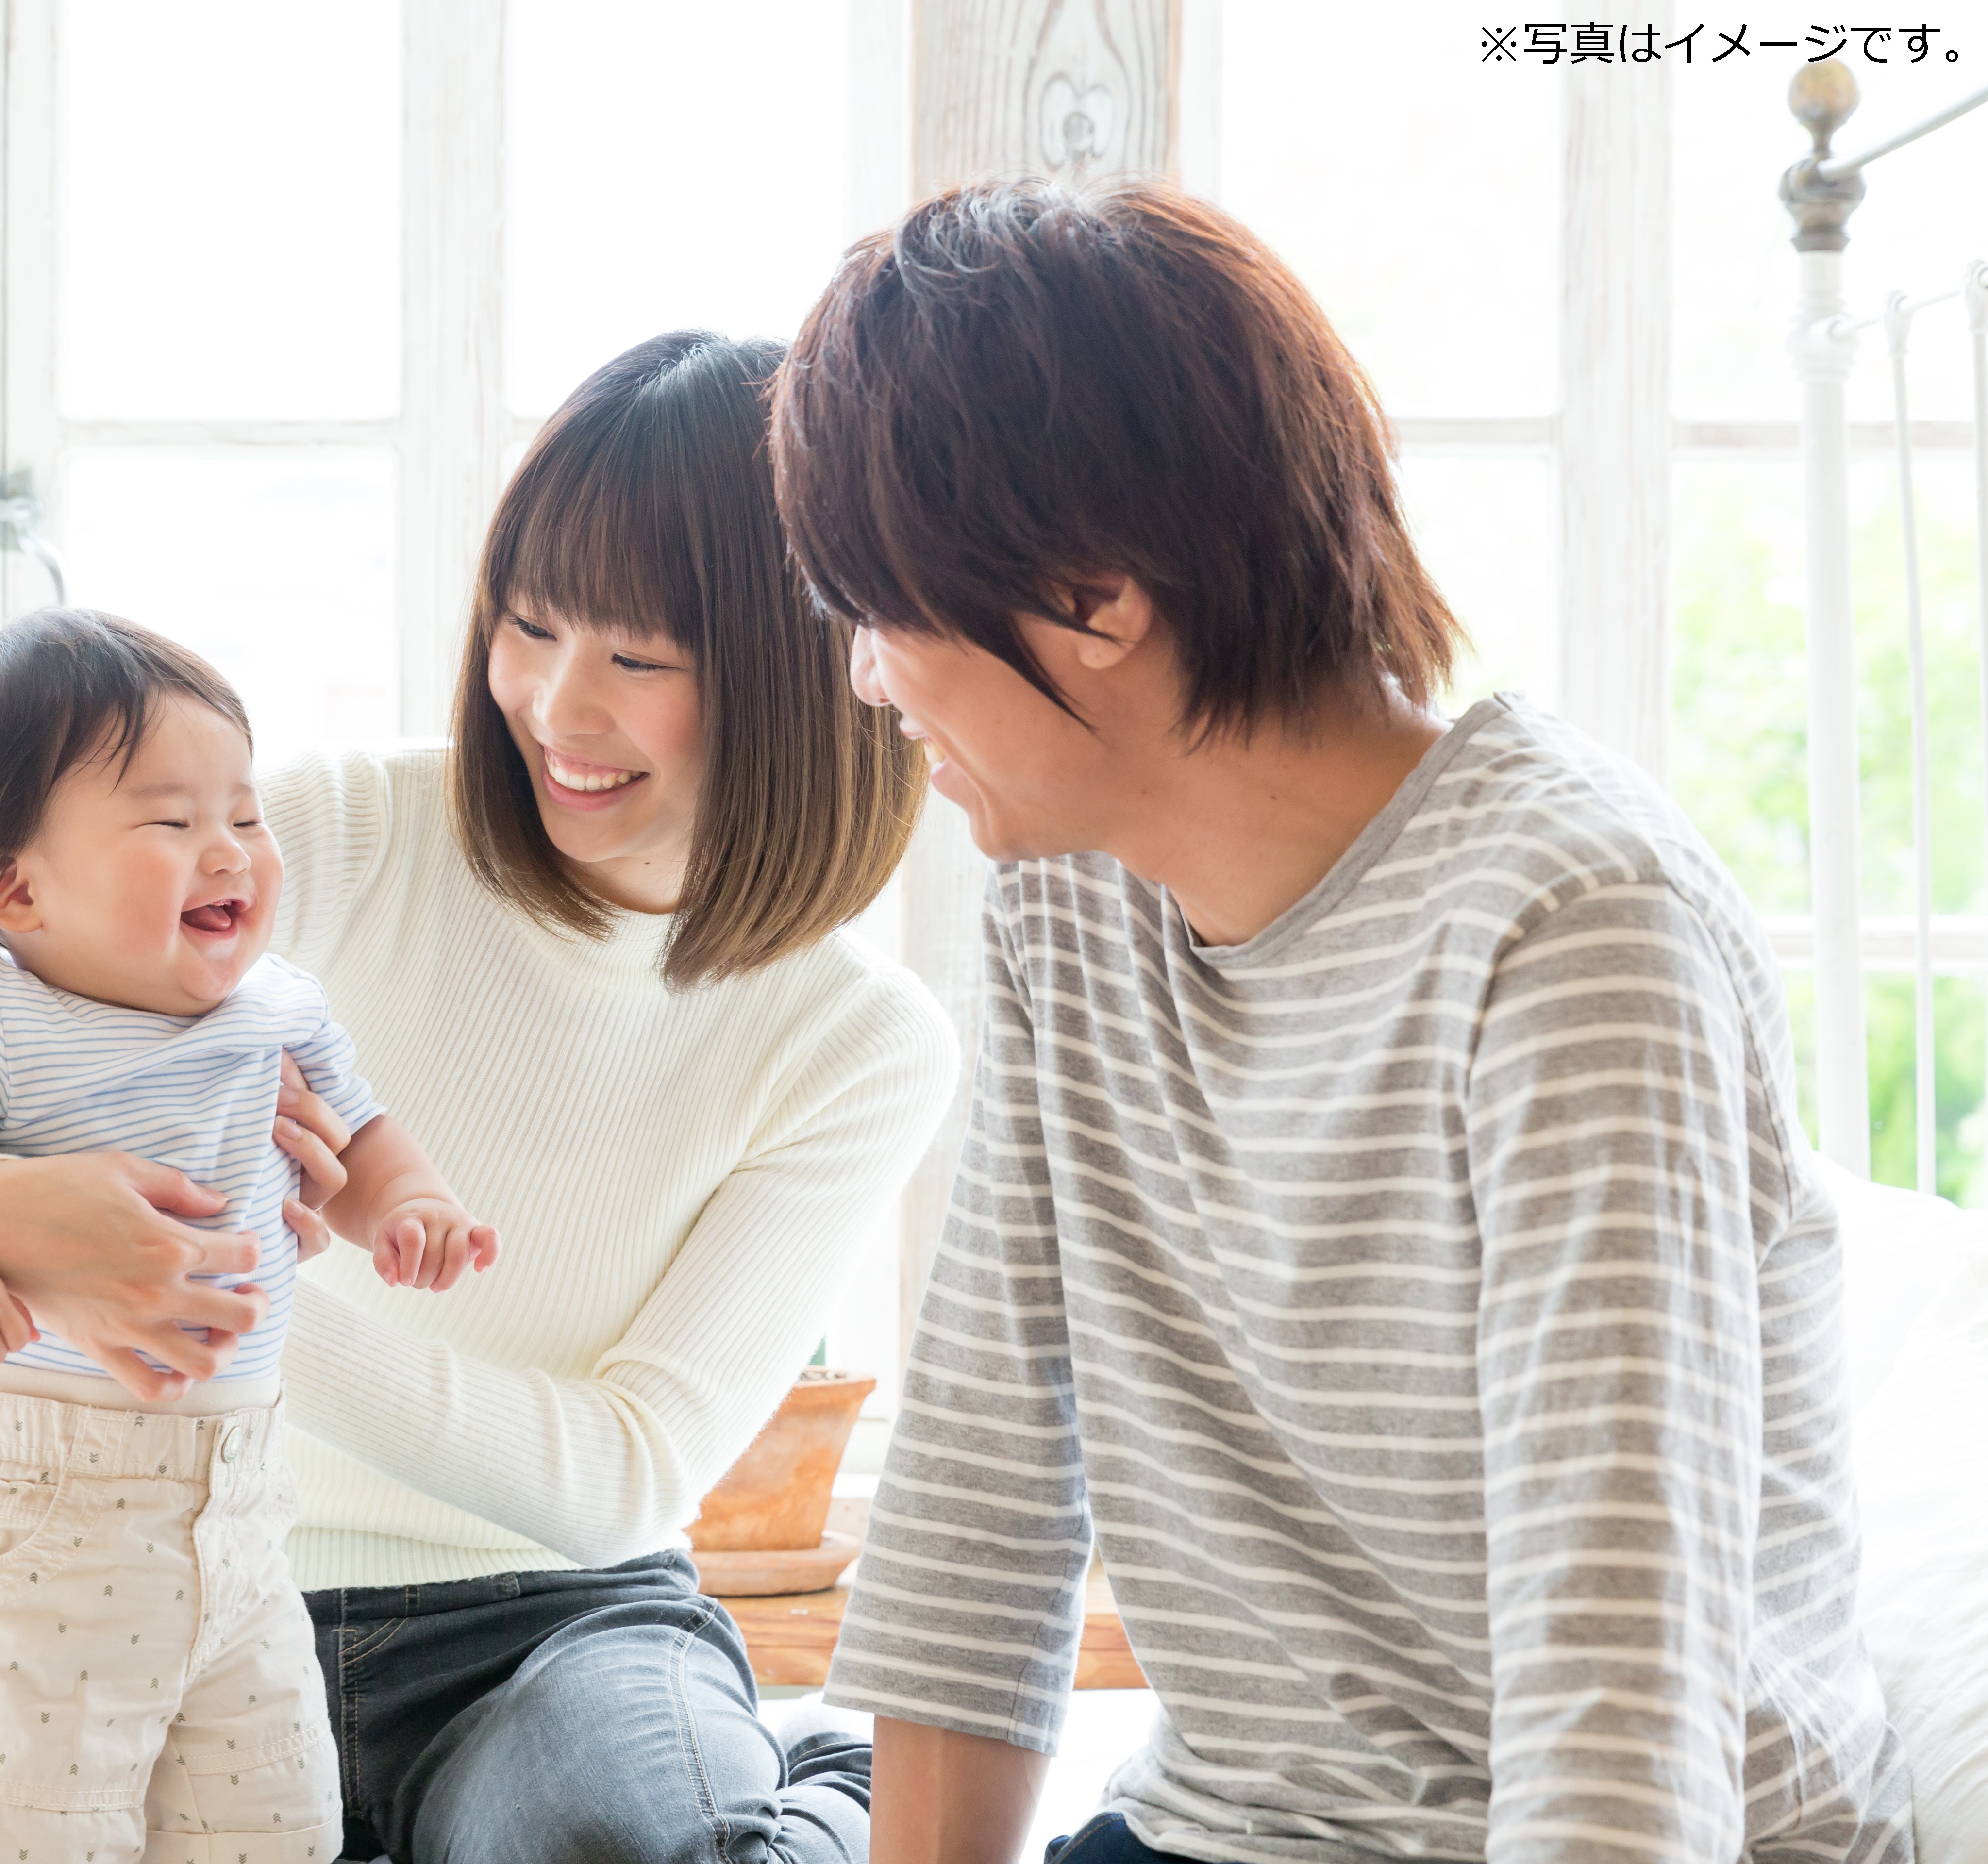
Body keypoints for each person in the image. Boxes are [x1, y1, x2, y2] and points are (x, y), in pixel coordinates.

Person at [769, 175, 1914, 1864]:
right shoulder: (1064, 901)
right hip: (1234, 1826)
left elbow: (1620, 1708)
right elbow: (987, 1490)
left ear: (1094, 601)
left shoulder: (1572, 927)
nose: (868, 677)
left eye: (886, 614)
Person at [0, 331, 957, 1864]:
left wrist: (227, 1296)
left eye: (638, 660)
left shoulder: (856, 1039)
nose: (553, 707)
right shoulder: (326, 830)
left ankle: (813, 1784)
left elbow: (622, 1478)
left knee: (619, 1842)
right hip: (181, 1581)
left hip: (549, 1632)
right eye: (528, 629)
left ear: (804, 676)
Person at [0, 610, 502, 1862]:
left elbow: (361, 1138)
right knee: (15, 1827)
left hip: (241, 1500)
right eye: (174, 823)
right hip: (42, 1505)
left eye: (245, 813)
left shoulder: (279, 1006)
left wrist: (409, 1207)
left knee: (274, 1824)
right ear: (15, 887)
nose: (229, 851)